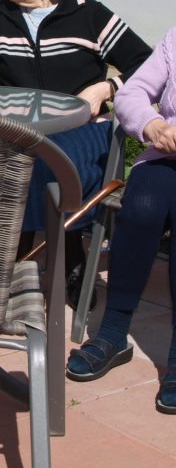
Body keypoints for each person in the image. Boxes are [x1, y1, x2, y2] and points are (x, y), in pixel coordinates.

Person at [0, 0, 151, 301]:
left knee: (42, 162)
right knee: (20, 158)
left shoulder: (89, 15)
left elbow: (144, 62)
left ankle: (30, 260)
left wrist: (106, 88)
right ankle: (51, 258)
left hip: (84, 130)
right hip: (22, 133)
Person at [66, 26, 176, 414]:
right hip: (166, 156)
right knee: (142, 206)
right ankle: (113, 332)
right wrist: (153, 125)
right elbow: (133, 93)